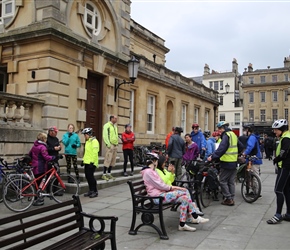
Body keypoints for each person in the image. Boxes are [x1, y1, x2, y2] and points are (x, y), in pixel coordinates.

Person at [141, 152, 209, 232]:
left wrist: (172, 178)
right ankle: (194, 215)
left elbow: (163, 184)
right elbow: (161, 185)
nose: (156, 162)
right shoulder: (149, 172)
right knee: (184, 191)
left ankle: (182, 224)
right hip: (158, 197)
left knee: (185, 198)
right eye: (156, 160)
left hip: (162, 194)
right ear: (153, 161)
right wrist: (175, 187)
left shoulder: (151, 171)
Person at [207, 121, 243, 206]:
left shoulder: (226, 135)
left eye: (219, 129)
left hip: (226, 162)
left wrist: (212, 157)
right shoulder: (233, 134)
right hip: (234, 162)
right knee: (231, 181)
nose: (218, 131)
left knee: (222, 181)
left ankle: (228, 198)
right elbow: (241, 146)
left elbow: (222, 148)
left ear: (223, 128)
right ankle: (231, 198)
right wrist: (236, 154)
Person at [267, 119, 290, 224]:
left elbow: (283, 154)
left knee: (278, 190)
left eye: (276, 129)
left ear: (281, 129)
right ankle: (289, 214)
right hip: (286, 168)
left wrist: (276, 159)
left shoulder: (286, 139)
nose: (274, 132)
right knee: (286, 191)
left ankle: (278, 215)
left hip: (285, 168)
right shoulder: (285, 137)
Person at [29, 132, 55, 206]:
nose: (46, 140)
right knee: (41, 183)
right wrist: (53, 157)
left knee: (37, 183)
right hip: (40, 167)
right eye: (46, 138)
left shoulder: (35, 146)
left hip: (34, 167)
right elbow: (46, 157)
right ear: (43, 139)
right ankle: (40, 199)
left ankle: (37, 198)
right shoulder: (42, 147)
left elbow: (30, 154)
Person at [81, 128, 99, 198]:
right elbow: (86, 153)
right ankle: (91, 190)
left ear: (89, 134)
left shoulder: (94, 141)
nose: (84, 136)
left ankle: (95, 191)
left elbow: (95, 153)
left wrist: (92, 162)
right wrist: (83, 160)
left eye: (85, 135)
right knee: (87, 177)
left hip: (92, 162)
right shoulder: (88, 141)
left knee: (91, 177)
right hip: (87, 162)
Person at [102, 115, 118, 181]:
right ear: (111, 119)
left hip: (115, 145)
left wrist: (117, 143)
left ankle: (109, 173)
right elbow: (105, 135)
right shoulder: (107, 125)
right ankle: (104, 174)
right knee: (108, 159)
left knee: (112, 160)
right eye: (115, 118)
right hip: (110, 145)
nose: (116, 119)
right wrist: (108, 144)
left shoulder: (115, 126)